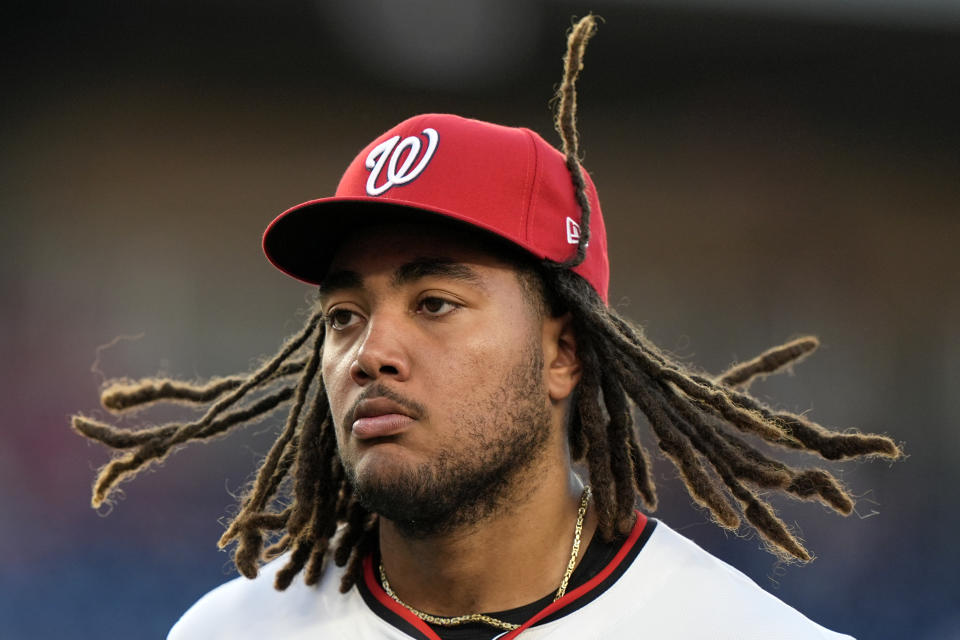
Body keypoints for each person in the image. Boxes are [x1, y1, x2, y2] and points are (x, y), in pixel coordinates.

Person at [73, 16, 901, 640]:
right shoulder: (228, 634)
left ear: (563, 351)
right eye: (344, 316)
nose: (372, 354)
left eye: (434, 303)